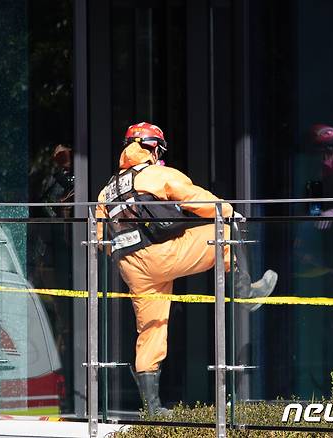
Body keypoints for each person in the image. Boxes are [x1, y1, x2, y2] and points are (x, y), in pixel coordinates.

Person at [96, 122, 278, 416]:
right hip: (164, 254)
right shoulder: (157, 174)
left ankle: (153, 409)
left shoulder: (106, 192)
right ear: (153, 147)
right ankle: (247, 292)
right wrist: (229, 212)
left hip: (131, 267)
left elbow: (101, 239)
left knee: (151, 331)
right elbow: (196, 198)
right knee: (224, 234)